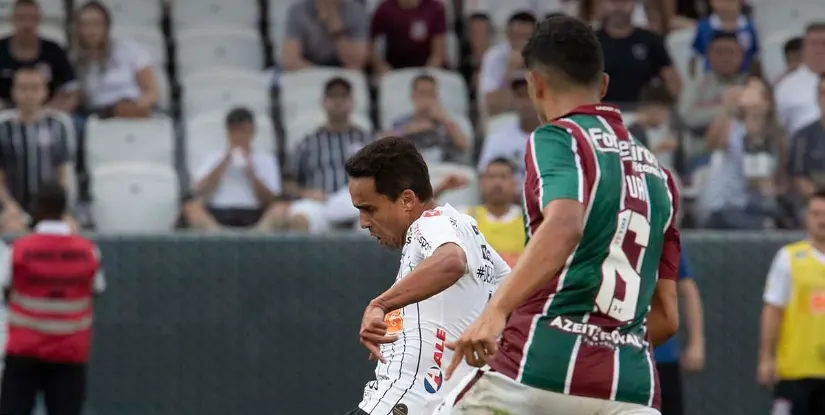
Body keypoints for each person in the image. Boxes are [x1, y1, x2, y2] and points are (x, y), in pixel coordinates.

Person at [436, 15, 681, 414]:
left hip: (538, 368)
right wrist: (604, 350)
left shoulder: (558, 137)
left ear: (535, 84)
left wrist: (496, 310)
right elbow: (667, 317)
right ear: (603, 85)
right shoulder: (661, 177)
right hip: (630, 387)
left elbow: (566, 223)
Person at [344, 136, 511, 414]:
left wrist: (380, 304)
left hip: (403, 403)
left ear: (407, 199)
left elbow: (451, 261)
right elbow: (515, 291)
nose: (363, 222)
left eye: (369, 209)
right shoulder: (470, 232)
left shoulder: (431, 224)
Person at [0, 182, 105, 415]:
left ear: (36, 209)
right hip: (70, 350)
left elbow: (6, 287)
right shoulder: (88, 251)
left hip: (24, 350)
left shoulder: (18, 250)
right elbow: (96, 289)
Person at [759, 190, 825, 414]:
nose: (821, 220)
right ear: (806, 217)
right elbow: (773, 309)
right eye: (816, 213)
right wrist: (766, 356)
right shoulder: (789, 258)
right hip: (795, 370)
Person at [0, 68, 75, 234]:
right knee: (12, 228)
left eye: (35, 88)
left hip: (50, 207)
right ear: (13, 92)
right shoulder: (4, 128)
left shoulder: (58, 126)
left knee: (69, 228)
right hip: (14, 204)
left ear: (45, 92)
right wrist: (9, 205)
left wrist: (61, 207)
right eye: (23, 88)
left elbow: (63, 171)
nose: (29, 94)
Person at [182, 107, 281, 231]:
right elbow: (200, 191)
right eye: (235, 132)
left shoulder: (266, 160)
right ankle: (219, 239)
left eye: (244, 131)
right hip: (219, 211)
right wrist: (224, 163)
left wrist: (251, 175)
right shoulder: (212, 157)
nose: (239, 136)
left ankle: (256, 240)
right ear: (228, 132)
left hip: (253, 212)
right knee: (191, 208)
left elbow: (271, 199)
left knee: (281, 209)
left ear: (252, 132)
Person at [71, 1, 160, 119]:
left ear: (106, 27)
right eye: (86, 25)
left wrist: (136, 109)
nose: (91, 30)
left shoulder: (129, 50)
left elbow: (151, 92)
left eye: (97, 24)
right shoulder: (74, 61)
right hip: (98, 117)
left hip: (132, 109)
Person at [0, 0, 78, 112]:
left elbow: (71, 89)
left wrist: (50, 111)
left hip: (48, 113)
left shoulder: (54, 50)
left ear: (39, 20)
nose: (26, 24)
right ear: (12, 19)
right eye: (21, 18)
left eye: (32, 18)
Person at [654, 250, 705, 415]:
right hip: (621, 355)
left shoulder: (663, 236)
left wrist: (696, 343)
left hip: (662, 357)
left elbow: (687, 288)